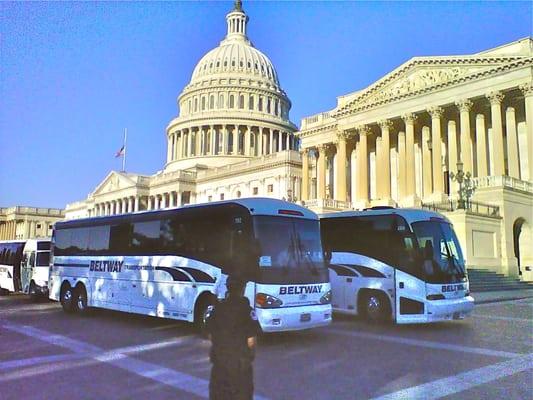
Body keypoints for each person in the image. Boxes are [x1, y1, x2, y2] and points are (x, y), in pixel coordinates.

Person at [205, 275, 261, 400]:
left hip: (219, 365)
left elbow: (210, 334)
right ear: (243, 289)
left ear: (227, 288)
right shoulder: (247, 311)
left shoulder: (217, 308)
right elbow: (251, 341)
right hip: (240, 367)